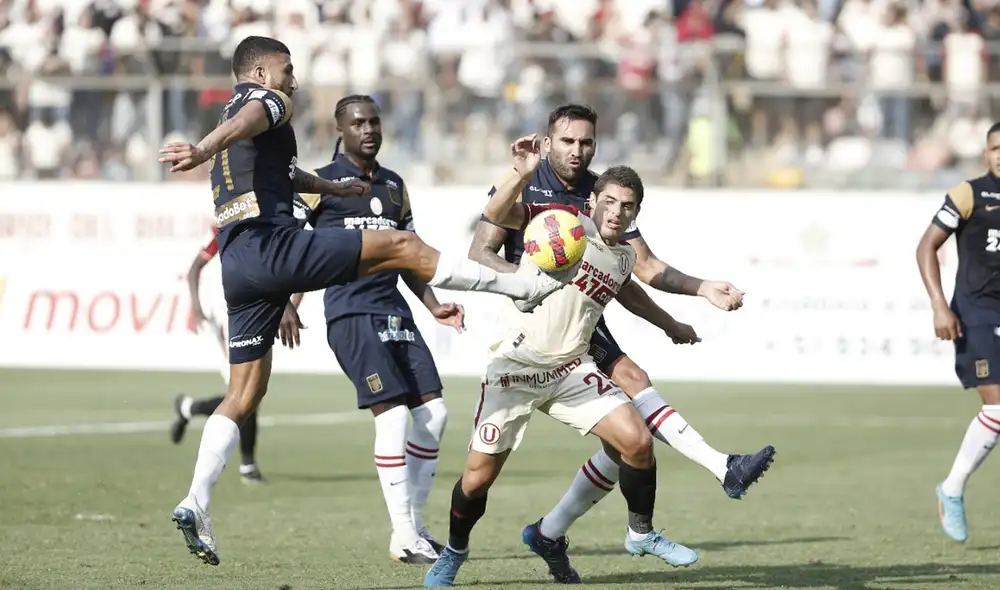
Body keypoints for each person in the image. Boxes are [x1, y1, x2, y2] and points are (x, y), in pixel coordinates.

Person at [158, 36, 577, 567]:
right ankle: (523, 285)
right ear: (261, 72)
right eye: (287, 69)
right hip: (273, 245)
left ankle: (196, 499)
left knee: (245, 392)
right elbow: (244, 124)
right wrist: (202, 148)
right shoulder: (265, 102)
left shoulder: (241, 116)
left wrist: (333, 192)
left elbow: (284, 174)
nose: (295, 79)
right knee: (398, 245)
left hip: (238, 267)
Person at [467, 105, 775, 578]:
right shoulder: (524, 183)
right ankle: (717, 470)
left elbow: (642, 267)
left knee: (627, 437)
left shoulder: (604, 194)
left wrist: (702, 288)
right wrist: (527, 283)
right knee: (629, 391)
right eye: (568, 142)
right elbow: (479, 250)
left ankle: (552, 531)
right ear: (548, 143)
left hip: (583, 314)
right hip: (536, 322)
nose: (577, 151)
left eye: (586, 143)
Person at [424, 145, 700, 588]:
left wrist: (670, 323)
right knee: (476, 480)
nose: (616, 212)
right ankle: (455, 551)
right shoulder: (560, 224)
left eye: (627, 207)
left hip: (571, 369)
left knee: (637, 441)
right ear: (592, 202)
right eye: (609, 201)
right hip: (515, 368)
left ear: (635, 214)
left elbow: (625, 289)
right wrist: (518, 172)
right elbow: (499, 214)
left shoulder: (624, 255)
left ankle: (641, 534)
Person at [295, 94, 458, 564]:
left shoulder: (394, 186)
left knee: (436, 415)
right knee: (392, 416)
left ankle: (416, 527)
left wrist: (433, 306)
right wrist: (289, 302)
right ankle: (403, 533)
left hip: (396, 312)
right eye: (358, 123)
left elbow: (408, 255)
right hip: (350, 312)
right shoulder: (319, 183)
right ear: (340, 131)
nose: (369, 129)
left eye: (374, 122)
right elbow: (294, 248)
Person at [917, 122, 1000, 543]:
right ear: (985, 153)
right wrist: (938, 304)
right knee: (999, 409)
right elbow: (926, 246)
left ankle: (951, 488)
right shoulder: (970, 194)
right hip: (977, 314)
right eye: (995, 148)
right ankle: (951, 489)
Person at [170, 225, 263, 485]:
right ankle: (248, 466)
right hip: (224, 318)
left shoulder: (258, 225)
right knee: (246, 390)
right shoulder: (224, 230)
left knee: (248, 391)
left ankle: (189, 407)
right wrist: (198, 309)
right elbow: (193, 270)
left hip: (245, 314)